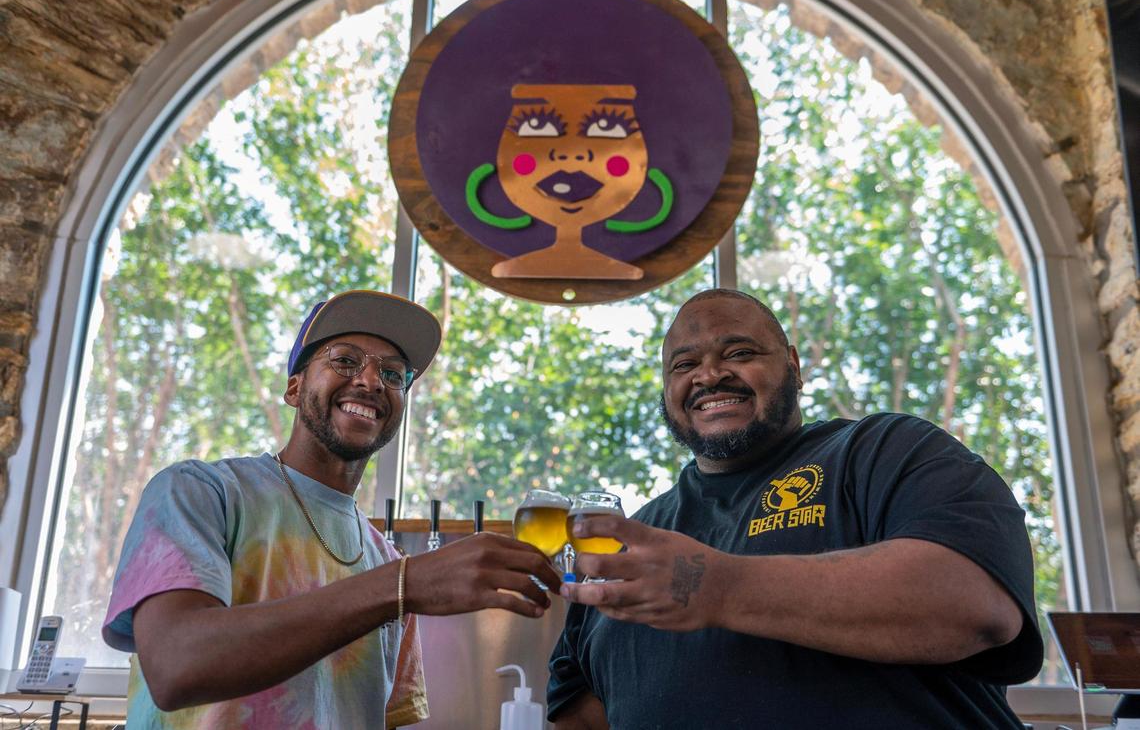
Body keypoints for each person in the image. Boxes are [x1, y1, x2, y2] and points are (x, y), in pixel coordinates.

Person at [547, 288, 1044, 729]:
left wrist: (715, 586)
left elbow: (975, 606)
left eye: (739, 353)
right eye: (684, 365)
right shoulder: (629, 545)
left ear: (794, 367)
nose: (710, 375)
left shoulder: (882, 450)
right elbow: (581, 713)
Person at [103, 289, 562, 728]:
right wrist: (402, 585)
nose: (371, 381)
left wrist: (401, 584)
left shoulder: (388, 560)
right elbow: (176, 666)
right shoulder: (201, 492)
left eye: (393, 374)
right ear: (294, 388)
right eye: (345, 360)